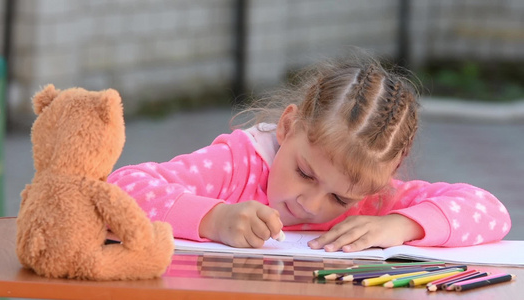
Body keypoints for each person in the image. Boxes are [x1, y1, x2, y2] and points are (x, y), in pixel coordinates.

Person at [108, 52, 511, 252]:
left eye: (339, 197)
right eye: (305, 172)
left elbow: (490, 211)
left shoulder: (375, 199)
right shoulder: (237, 165)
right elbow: (119, 189)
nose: (310, 203)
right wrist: (213, 218)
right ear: (287, 126)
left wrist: (401, 226)